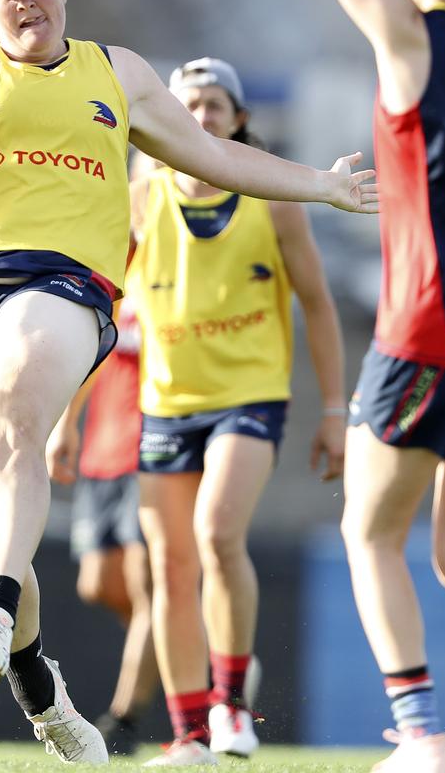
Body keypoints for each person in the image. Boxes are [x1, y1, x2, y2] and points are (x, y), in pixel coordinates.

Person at [0, 0, 377, 764]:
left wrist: (321, 186)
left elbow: (210, 154)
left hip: (59, 281)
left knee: (13, 414)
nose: (27, 0)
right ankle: (35, 679)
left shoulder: (116, 72)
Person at [252, 0, 445, 771]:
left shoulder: (409, 37)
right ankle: (423, 735)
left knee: (369, 534)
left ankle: (423, 738)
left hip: (428, 332)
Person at [130, 57, 348, 766]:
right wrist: (67, 421)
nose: (201, 116)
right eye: (187, 103)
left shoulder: (273, 196)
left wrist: (336, 411)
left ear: (240, 119)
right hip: (165, 400)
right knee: (169, 565)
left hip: (249, 395)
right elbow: (103, 304)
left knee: (218, 533)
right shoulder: (140, 196)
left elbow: (317, 303)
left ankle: (230, 703)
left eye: (216, 105)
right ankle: (188, 730)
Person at [47, 290, 159, 756]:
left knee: (147, 586)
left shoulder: (180, 259)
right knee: (98, 585)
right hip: (103, 448)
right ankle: (206, 660)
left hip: (157, 444)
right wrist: (66, 422)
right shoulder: (110, 276)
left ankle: (123, 720)